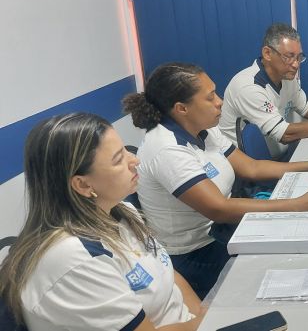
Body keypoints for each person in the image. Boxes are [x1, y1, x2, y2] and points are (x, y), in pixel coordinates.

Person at [123, 62, 308, 299]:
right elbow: (219, 208)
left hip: (228, 231)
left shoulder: (204, 129)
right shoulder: (167, 149)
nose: (219, 102)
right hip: (198, 255)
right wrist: (297, 205)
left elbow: (251, 167)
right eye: (209, 98)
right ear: (181, 108)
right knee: (291, 279)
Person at [0, 113, 204, 330]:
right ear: (83, 185)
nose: (134, 160)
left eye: (126, 150)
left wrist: (204, 315)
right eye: (118, 160)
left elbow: (168, 274)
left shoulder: (122, 211)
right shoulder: (74, 258)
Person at [219, 22, 308, 161]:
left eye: (299, 57)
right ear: (267, 53)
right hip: (255, 166)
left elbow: (306, 107)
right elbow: (286, 135)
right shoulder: (249, 87)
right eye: (288, 57)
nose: (296, 64)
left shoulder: (286, 76)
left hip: (282, 155)